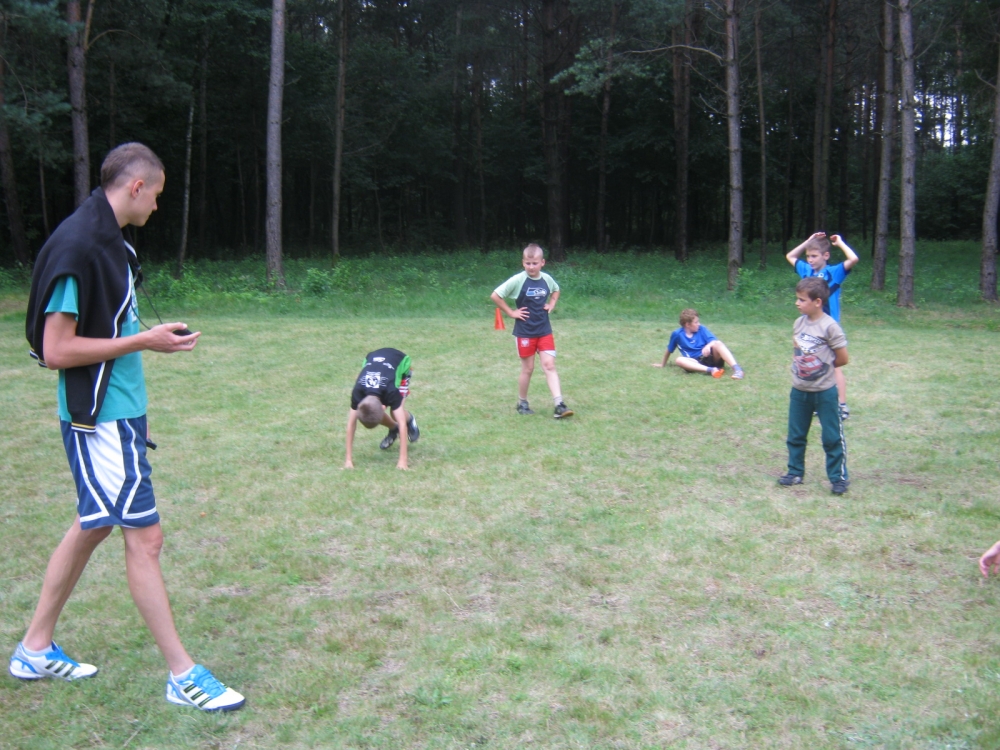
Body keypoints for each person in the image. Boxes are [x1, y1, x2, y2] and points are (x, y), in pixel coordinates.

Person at [15, 143, 244, 712]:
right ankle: (183, 675)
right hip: (101, 419)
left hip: (118, 414)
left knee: (92, 525)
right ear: (136, 187)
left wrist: (147, 335)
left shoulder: (109, 240)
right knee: (145, 539)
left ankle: (34, 649)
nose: (157, 206)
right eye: (157, 195)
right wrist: (145, 340)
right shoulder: (81, 244)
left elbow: (107, 321)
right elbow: (57, 350)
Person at [778, 277, 850, 495]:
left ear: (817, 302)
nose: (797, 303)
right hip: (799, 390)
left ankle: (838, 478)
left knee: (832, 436)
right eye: (797, 299)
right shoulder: (798, 323)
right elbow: (797, 351)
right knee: (796, 435)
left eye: (802, 300)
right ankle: (795, 471)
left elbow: (843, 358)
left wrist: (822, 368)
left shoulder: (830, 327)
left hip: (825, 391)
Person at [491, 244, 573, 418]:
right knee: (528, 369)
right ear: (523, 263)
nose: (531, 267)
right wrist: (511, 313)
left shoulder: (547, 279)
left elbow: (556, 290)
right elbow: (495, 295)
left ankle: (559, 405)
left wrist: (552, 304)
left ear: (542, 262)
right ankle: (522, 403)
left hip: (544, 330)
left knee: (549, 365)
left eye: (535, 263)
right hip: (525, 332)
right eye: (528, 263)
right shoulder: (518, 280)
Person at [786, 231, 859, 420]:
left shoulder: (834, 272)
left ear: (826, 256)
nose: (810, 260)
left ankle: (841, 405)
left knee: (833, 366)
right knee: (812, 362)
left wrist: (840, 243)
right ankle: (818, 402)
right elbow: (790, 256)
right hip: (810, 326)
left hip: (828, 327)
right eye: (808, 256)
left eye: (814, 256)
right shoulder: (806, 271)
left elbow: (853, 259)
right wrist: (808, 241)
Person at [344, 347, 419, 470]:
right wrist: (348, 460)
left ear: (383, 407)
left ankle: (410, 419)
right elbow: (351, 424)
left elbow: (402, 425)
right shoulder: (358, 391)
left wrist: (402, 462)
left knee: (396, 414)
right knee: (370, 411)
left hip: (401, 362)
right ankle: (393, 428)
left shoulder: (391, 390)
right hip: (372, 358)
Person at [653, 308, 745, 379]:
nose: (699, 324)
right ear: (687, 324)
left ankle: (737, 370)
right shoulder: (677, 334)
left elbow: (714, 341)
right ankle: (711, 370)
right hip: (695, 362)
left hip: (709, 358)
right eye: (696, 322)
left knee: (718, 343)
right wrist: (662, 364)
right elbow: (669, 350)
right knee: (679, 360)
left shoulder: (702, 329)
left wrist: (708, 346)